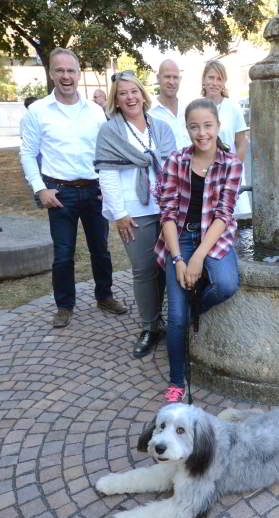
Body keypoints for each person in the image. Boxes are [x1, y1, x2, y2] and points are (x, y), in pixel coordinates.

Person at [20, 47, 127, 328]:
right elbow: (28, 153)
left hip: (94, 191)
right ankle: (64, 306)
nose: (66, 76)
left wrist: (108, 183)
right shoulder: (37, 111)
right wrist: (40, 189)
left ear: (79, 74)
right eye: (60, 70)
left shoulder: (96, 112)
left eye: (71, 71)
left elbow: (107, 152)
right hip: (60, 193)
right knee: (63, 254)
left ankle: (105, 296)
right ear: (51, 73)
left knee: (101, 250)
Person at [154, 98, 242, 402]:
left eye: (207, 125)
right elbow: (166, 213)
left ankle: (196, 308)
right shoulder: (176, 161)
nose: (201, 132)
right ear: (187, 128)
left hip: (213, 237)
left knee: (227, 284)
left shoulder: (231, 163)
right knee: (175, 318)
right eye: (194, 126)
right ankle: (177, 379)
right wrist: (178, 259)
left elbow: (223, 214)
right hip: (178, 238)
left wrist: (198, 259)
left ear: (218, 126)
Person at [94, 72, 176, 358]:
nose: (130, 97)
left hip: (165, 209)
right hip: (133, 212)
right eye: (122, 93)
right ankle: (149, 327)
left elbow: (173, 168)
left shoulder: (161, 128)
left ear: (143, 94)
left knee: (168, 268)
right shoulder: (111, 131)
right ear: (115, 100)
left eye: (134, 91)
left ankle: (165, 321)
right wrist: (119, 214)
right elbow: (107, 174)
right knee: (143, 270)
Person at [200, 60, 250, 215]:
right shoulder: (196, 107)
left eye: (219, 79)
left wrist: (233, 171)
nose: (214, 83)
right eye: (211, 77)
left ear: (224, 83)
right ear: (203, 80)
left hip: (229, 174)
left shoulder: (233, 107)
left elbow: (241, 143)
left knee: (236, 222)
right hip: (204, 174)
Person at [149, 59, 192, 150]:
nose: (172, 82)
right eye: (167, 77)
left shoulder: (188, 109)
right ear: (158, 78)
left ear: (180, 79)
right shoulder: (149, 113)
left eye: (175, 77)